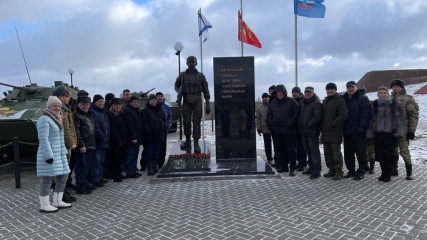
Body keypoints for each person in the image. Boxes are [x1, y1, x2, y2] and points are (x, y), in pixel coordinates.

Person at [37, 96, 71, 212]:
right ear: (49, 106)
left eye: (59, 106)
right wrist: (48, 156)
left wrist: (64, 152)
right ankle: (44, 204)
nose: (57, 108)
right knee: (47, 178)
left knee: (64, 175)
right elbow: (43, 139)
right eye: (55, 106)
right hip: (50, 154)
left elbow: (60, 139)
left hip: (59, 154)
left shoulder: (57, 117)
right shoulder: (44, 119)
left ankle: (58, 200)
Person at [367, 86, 405, 182]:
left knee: (388, 154)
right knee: (380, 155)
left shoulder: (394, 104)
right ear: (378, 94)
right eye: (381, 93)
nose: (383, 94)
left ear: (387, 94)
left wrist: (398, 133)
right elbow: (371, 120)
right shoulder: (374, 104)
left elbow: (399, 120)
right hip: (378, 133)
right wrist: (370, 132)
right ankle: (383, 173)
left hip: (389, 134)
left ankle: (388, 174)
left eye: (384, 93)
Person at [174, 56, 210, 153]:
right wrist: (179, 92)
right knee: (186, 121)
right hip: (186, 100)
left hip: (197, 100)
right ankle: (188, 141)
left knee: (196, 122)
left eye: (193, 62)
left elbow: (206, 90)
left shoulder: (201, 76)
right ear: (186, 63)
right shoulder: (182, 75)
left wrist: (208, 104)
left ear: (196, 63)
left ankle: (196, 142)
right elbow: (176, 85)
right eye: (189, 61)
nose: (191, 63)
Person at [266, 84, 299, 176]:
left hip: (289, 131)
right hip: (277, 131)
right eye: (277, 93)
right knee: (279, 150)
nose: (279, 94)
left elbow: (296, 115)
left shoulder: (292, 102)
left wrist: (290, 123)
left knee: (291, 150)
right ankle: (283, 166)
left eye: (281, 92)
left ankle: (292, 168)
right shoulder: (272, 103)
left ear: (284, 93)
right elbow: (269, 116)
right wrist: (272, 124)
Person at [52, 85, 77, 203]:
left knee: (64, 170)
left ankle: (62, 191)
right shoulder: (60, 110)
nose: (68, 98)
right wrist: (71, 143)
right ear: (59, 97)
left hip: (65, 145)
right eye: (66, 96)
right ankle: (60, 195)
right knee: (60, 171)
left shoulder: (66, 108)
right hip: (63, 145)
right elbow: (65, 129)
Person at [390, 79, 419, 180]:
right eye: (393, 86)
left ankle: (409, 172)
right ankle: (394, 169)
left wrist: (411, 131)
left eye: (397, 86)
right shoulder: (389, 99)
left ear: (402, 87)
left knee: (404, 151)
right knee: (393, 151)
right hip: (391, 130)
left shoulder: (408, 99)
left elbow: (413, 116)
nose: (395, 88)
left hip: (403, 130)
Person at [343, 81, 371, 180]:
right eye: (349, 87)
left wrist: (362, 127)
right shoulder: (344, 98)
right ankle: (351, 170)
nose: (350, 89)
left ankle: (361, 170)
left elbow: (366, 114)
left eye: (352, 87)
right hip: (347, 131)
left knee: (360, 152)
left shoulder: (362, 98)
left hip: (358, 131)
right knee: (348, 153)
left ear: (356, 87)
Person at [321, 82, 348, 180]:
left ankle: (338, 172)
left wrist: (333, 123)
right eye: (328, 89)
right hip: (325, 131)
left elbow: (343, 114)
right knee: (327, 153)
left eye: (332, 89)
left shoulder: (339, 100)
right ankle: (331, 170)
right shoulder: (325, 101)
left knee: (336, 153)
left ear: (335, 90)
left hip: (335, 131)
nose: (330, 90)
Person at [298, 87, 323, 179]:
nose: (307, 94)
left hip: (312, 131)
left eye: (309, 92)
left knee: (314, 151)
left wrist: (308, 124)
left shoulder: (316, 103)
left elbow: (317, 117)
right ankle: (311, 168)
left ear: (313, 93)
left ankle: (317, 171)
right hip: (304, 131)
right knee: (308, 151)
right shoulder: (303, 103)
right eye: (306, 92)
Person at [73, 96, 96, 194]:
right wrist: (81, 145)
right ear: (78, 104)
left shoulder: (88, 114)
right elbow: (77, 131)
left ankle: (85, 183)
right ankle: (80, 186)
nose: (85, 106)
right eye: (83, 104)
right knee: (81, 167)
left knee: (86, 166)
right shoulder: (76, 115)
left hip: (90, 144)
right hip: (83, 146)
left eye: (87, 104)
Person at [141, 94, 167, 175]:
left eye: (155, 100)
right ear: (149, 101)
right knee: (149, 152)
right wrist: (148, 133)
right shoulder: (145, 111)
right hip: (150, 136)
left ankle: (154, 166)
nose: (154, 101)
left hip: (159, 135)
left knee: (156, 152)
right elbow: (144, 124)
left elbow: (163, 121)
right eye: (152, 100)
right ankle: (149, 168)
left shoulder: (159, 110)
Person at [89, 95, 110, 187]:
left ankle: (99, 177)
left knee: (101, 161)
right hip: (98, 141)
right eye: (99, 101)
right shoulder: (93, 112)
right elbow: (96, 128)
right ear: (95, 102)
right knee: (96, 162)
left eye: (102, 101)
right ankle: (95, 179)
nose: (101, 103)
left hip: (104, 141)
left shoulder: (103, 111)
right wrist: (103, 137)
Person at [108, 98, 128, 182]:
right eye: (116, 105)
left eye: (119, 105)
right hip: (115, 142)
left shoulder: (121, 114)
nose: (118, 107)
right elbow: (113, 129)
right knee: (115, 159)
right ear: (112, 106)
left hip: (123, 140)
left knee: (121, 159)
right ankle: (115, 176)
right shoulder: (111, 115)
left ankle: (119, 174)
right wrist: (119, 140)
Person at [124, 95, 143, 178]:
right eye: (134, 101)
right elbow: (130, 125)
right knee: (130, 156)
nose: (136, 103)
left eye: (137, 101)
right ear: (130, 102)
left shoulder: (135, 110)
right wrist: (133, 137)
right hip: (132, 138)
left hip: (137, 137)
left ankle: (134, 170)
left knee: (135, 155)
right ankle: (130, 172)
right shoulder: (128, 111)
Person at [292, 86, 308, 171]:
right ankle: (299, 162)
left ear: (299, 93)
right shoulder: (292, 101)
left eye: (296, 92)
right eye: (293, 92)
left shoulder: (303, 101)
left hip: (301, 127)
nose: (294, 94)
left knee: (302, 147)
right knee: (296, 147)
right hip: (294, 128)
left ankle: (303, 163)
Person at [256, 93, 273, 164]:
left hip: (274, 127)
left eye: (267, 97)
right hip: (265, 128)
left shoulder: (272, 105)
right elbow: (258, 118)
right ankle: (269, 158)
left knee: (277, 144)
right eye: (264, 97)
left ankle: (278, 159)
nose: (265, 98)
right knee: (267, 144)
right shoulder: (259, 108)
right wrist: (259, 128)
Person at [156, 92, 172, 169]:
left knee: (163, 147)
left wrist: (167, 126)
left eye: (161, 96)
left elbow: (169, 116)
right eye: (158, 96)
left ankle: (161, 163)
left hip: (163, 130)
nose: (159, 97)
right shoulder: (154, 106)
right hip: (155, 131)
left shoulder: (166, 107)